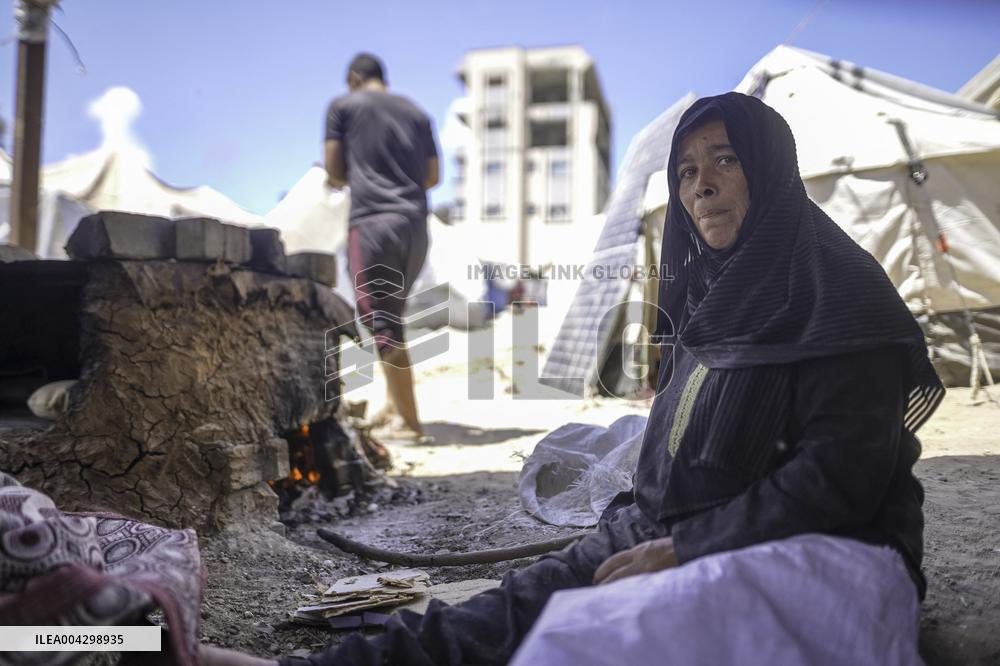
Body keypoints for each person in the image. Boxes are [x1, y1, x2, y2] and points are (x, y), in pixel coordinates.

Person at [208, 92, 943, 666]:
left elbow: (838, 477)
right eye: (687, 172)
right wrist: (639, 527)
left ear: (771, 168)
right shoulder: (710, 298)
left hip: (827, 551)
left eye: (726, 160)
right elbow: (676, 451)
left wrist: (686, 548)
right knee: (518, 602)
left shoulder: (835, 291)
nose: (702, 187)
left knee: (586, 636)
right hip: (689, 527)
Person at [324, 52, 440, 441]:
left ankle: (409, 422)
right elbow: (433, 176)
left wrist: (367, 176)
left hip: (373, 225)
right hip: (415, 227)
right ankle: (393, 407)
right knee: (393, 315)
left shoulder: (344, 106)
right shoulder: (417, 112)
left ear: (354, 78)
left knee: (382, 322)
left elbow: (335, 171)